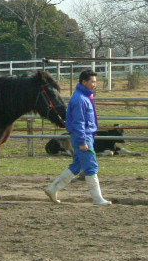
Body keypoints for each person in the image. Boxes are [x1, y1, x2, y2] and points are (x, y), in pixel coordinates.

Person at [44, 69, 111, 205]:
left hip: (86, 136)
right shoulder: (80, 99)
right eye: (93, 82)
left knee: (77, 166)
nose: (95, 84)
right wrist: (82, 141)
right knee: (91, 165)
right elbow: (79, 122)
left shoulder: (84, 97)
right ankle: (97, 198)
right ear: (84, 82)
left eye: (95, 82)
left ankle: (53, 188)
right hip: (83, 137)